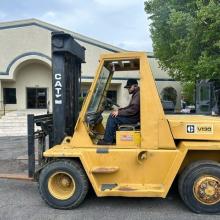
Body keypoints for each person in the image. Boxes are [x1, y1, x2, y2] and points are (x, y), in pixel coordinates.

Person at [98, 78, 140, 145]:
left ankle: (107, 140)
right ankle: (113, 137)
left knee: (113, 117)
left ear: (135, 86)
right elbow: (131, 107)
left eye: (129, 87)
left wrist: (119, 112)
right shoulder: (136, 94)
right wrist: (120, 110)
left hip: (133, 118)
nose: (128, 89)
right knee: (114, 114)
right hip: (134, 117)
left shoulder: (138, 94)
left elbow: (133, 109)